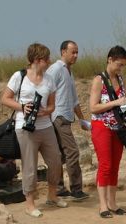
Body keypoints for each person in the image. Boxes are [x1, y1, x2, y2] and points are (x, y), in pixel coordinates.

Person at [0, 43, 67, 218]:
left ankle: (52, 196)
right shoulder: (19, 76)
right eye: (46, 59)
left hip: (46, 126)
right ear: (37, 60)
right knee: (29, 165)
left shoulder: (49, 79)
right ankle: (30, 204)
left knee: (56, 161)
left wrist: (47, 111)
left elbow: (52, 104)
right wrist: (23, 107)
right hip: (25, 127)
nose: (49, 61)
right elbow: (5, 99)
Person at [89, 45, 126, 218]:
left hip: (117, 126)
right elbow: (93, 107)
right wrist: (115, 103)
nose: (121, 68)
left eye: (123, 66)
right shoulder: (99, 80)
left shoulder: (121, 80)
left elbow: (120, 102)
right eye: (119, 64)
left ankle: (113, 203)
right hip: (101, 126)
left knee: (115, 165)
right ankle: (103, 205)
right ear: (110, 60)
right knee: (105, 165)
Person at [47, 40, 91, 202]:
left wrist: (82, 120)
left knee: (59, 155)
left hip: (64, 117)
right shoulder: (56, 69)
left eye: (77, 52)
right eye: (73, 52)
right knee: (72, 152)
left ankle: (59, 188)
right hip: (58, 117)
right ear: (63, 51)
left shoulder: (68, 71)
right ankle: (76, 190)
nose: (76, 55)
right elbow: (45, 90)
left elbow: (74, 100)